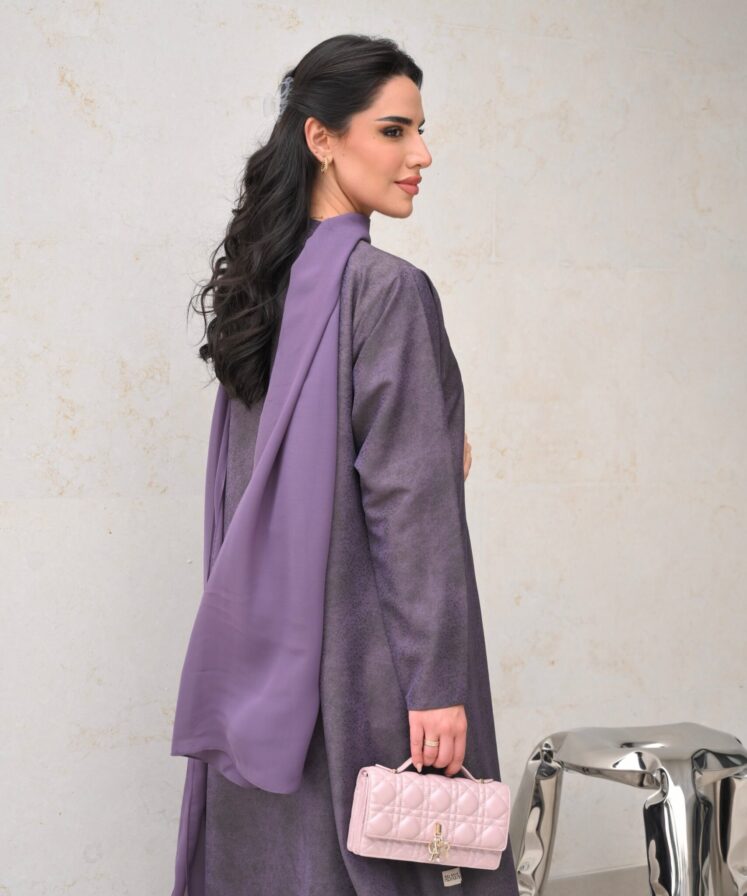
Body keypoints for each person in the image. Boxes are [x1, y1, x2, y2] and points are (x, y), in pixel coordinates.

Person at [170, 33, 520, 896]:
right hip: (365, 667)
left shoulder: (262, 293)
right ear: (321, 138)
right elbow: (409, 507)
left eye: (420, 131)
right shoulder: (386, 291)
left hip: (259, 668)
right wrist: (436, 684)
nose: (420, 155)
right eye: (394, 131)